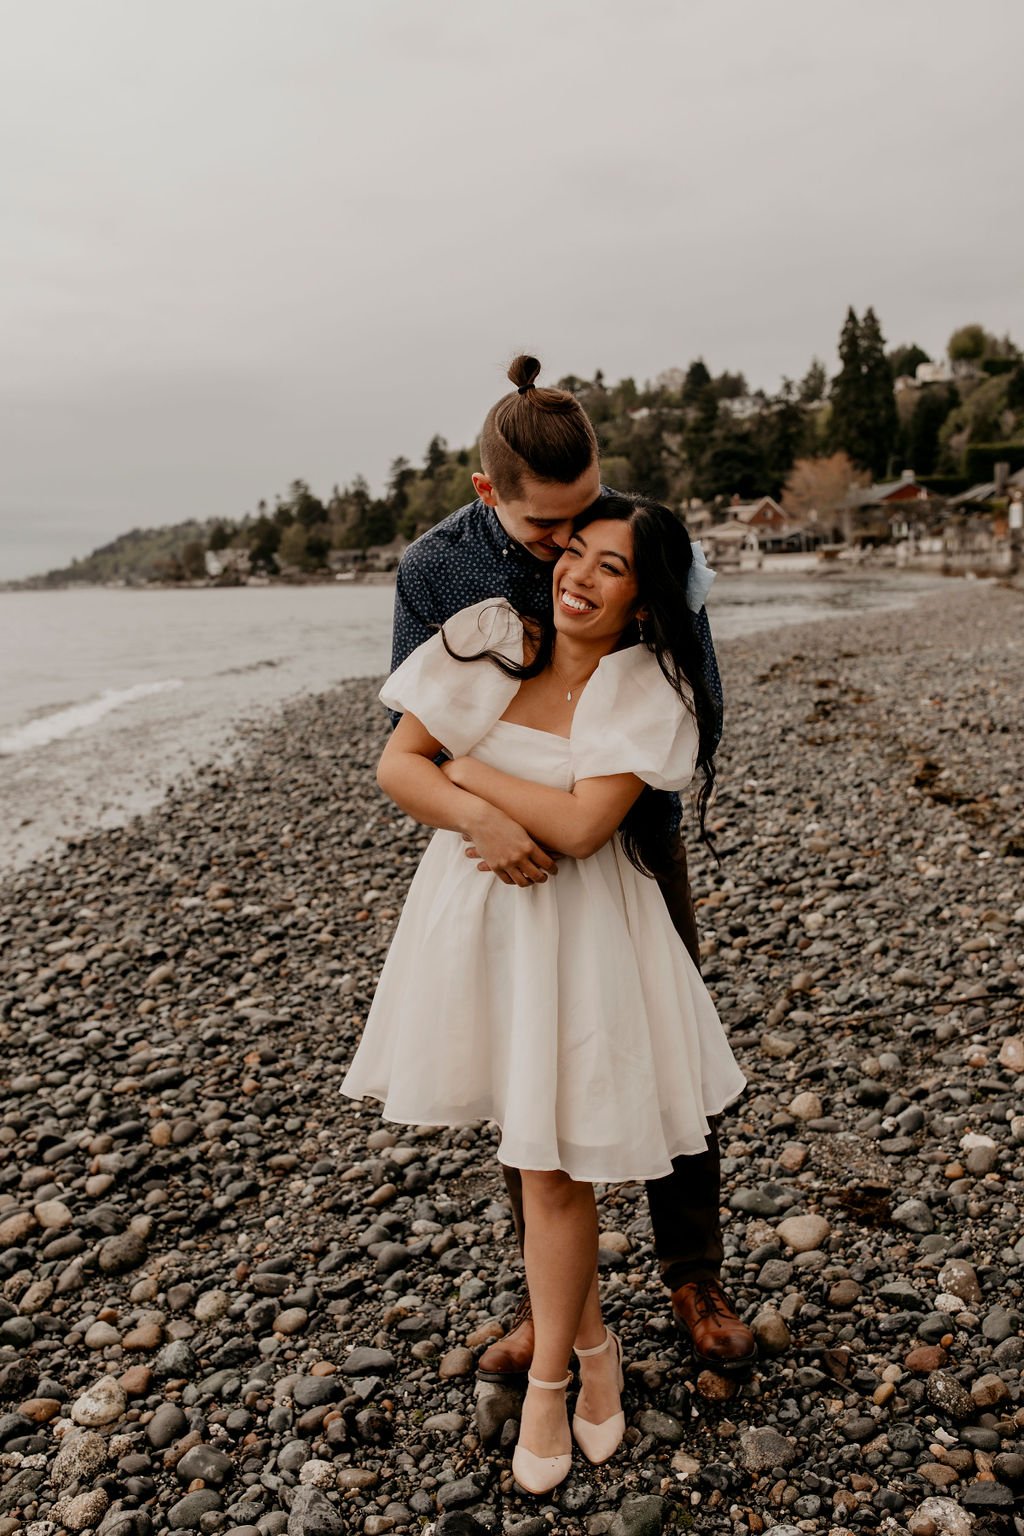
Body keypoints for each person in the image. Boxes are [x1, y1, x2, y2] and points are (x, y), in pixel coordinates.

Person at [342, 493, 746, 1493]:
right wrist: (473, 814)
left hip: (584, 934)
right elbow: (397, 762)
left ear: (645, 600)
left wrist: (467, 764)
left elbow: (577, 829)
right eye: (576, 553)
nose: (579, 573)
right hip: (479, 929)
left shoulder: (647, 689)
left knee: (561, 1149)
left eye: (612, 567)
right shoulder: (485, 640)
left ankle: (553, 1382)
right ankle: (591, 1344)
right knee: (532, 1149)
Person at [383, 357, 756, 1377]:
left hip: (627, 838)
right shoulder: (434, 572)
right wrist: (482, 816)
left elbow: (696, 693)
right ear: (486, 493)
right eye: (549, 527)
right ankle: (559, 1311)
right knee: (528, 1072)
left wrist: (600, 798)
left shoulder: (637, 536)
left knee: (666, 1052)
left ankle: (694, 1271)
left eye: (588, 511)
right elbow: (419, 727)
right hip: (493, 854)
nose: (568, 546)